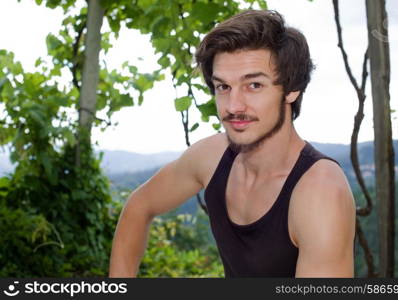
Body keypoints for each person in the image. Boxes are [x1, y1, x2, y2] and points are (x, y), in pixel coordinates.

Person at [109, 9, 356, 278]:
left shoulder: (320, 192)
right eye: (223, 87)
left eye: (254, 86)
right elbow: (139, 206)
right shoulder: (212, 156)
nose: (233, 106)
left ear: (292, 89)